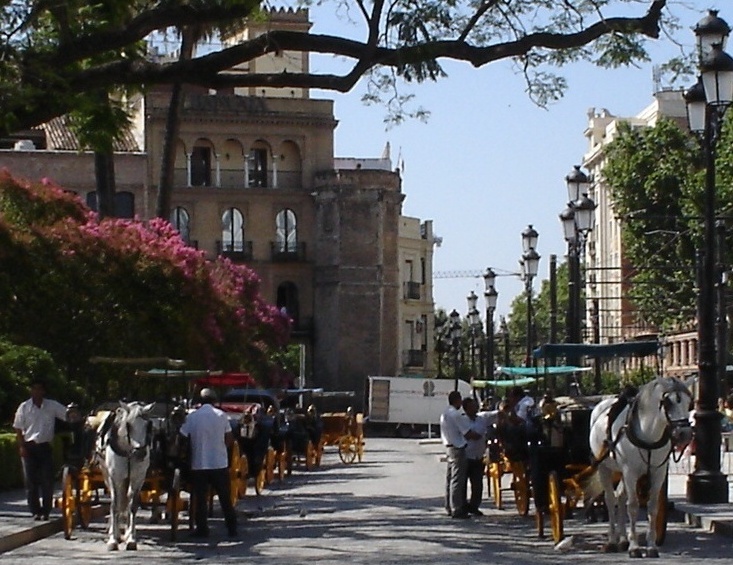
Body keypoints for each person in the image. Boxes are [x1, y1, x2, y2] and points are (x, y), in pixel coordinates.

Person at [179, 388, 238, 538]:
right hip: (219, 463)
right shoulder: (221, 415)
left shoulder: (192, 417)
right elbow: (229, 439)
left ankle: (202, 529)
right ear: (214, 401)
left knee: (200, 498)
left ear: (200, 401)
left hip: (199, 463)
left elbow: (183, 436)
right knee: (225, 498)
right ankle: (232, 528)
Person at [13, 378, 72, 521]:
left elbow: (67, 415)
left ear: (43, 391)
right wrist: (22, 446)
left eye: (39, 389)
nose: (37, 392)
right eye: (34, 389)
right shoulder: (24, 407)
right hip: (29, 447)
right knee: (30, 482)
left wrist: (77, 416)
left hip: (44, 447)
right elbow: (18, 428)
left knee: (47, 480)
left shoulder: (51, 406)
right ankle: (35, 511)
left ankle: (46, 511)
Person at [440, 391, 479, 519]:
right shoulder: (455, 415)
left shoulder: (445, 413)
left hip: (448, 447)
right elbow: (467, 433)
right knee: (458, 480)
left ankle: (449, 505)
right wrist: (479, 436)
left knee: (450, 479)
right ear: (457, 400)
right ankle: (457, 508)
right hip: (458, 447)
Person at [462, 397, 496, 516]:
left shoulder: (482, 418)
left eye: (475, 406)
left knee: (477, 484)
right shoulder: (461, 420)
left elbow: (495, 414)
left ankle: (474, 506)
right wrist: (475, 435)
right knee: (463, 484)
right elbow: (469, 435)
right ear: (466, 409)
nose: (475, 408)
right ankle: (462, 506)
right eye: (472, 406)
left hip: (478, 456)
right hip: (466, 456)